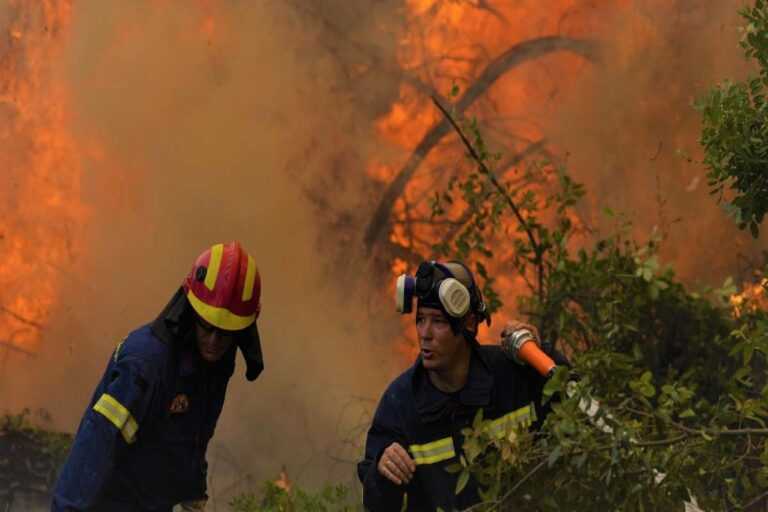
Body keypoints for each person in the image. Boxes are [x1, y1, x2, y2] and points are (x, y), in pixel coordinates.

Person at [52, 241, 265, 512]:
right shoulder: (145, 364)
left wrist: (193, 492)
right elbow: (95, 447)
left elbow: (194, 435)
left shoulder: (215, 366)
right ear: (191, 311)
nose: (214, 341)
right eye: (207, 326)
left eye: (225, 333)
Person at [357, 260, 565, 511]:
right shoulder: (400, 403)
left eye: (438, 321)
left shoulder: (512, 375)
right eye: (420, 319)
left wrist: (538, 353)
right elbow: (377, 505)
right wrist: (382, 471)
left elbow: (573, 400)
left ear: (468, 324)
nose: (425, 333)